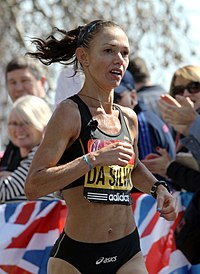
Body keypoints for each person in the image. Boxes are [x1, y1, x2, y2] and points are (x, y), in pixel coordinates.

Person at [25, 20, 177, 274]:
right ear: (83, 57)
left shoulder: (128, 117)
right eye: (108, 51)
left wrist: (158, 188)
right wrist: (92, 159)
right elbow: (33, 186)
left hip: (127, 251)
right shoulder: (69, 113)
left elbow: (133, 165)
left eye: (125, 53)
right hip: (76, 258)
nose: (119, 59)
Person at [142, 65, 200, 192]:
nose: (185, 94)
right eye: (179, 90)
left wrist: (170, 168)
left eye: (194, 87)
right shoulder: (178, 127)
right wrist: (166, 166)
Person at [0, 56, 51, 172]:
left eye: (25, 81)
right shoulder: (14, 135)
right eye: (12, 82)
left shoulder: (56, 120)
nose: (18, 88)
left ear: (42, 82)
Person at [0, 95, 53, 203]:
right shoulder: (18, 156)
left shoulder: (40, 155)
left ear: (42, 125)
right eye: (14, 123)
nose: (19, 130)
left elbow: (3, 192)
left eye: (26, 123)